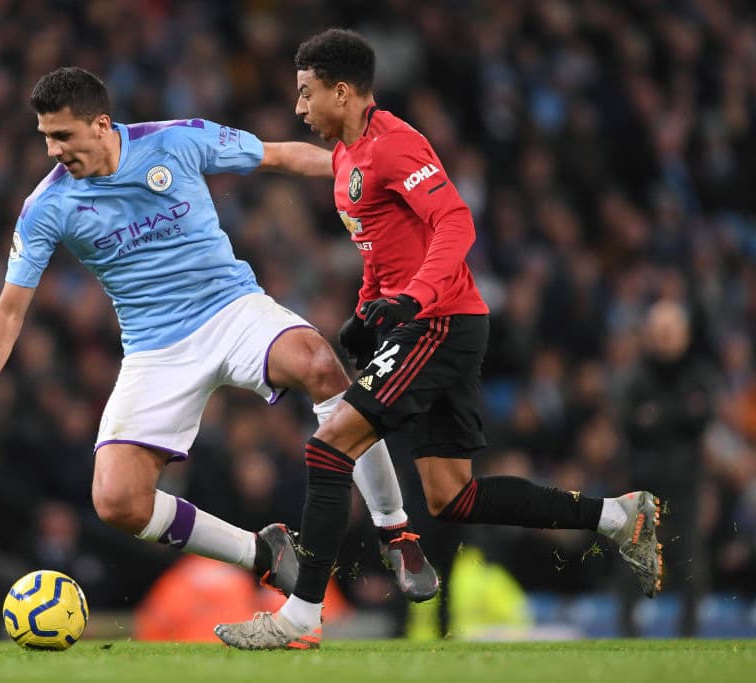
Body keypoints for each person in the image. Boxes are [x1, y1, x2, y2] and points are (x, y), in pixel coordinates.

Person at [215, 29, 663, 650]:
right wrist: (368, 308)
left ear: (342, 92)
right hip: (429, 321)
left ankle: (299, 616)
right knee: (453, 495)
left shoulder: (396, 145)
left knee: (328, 447)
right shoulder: (346, 157)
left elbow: (454, 220)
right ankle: (618, 516)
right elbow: (377, 245)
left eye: (306, 93)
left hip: (441, 322)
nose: (300, 108)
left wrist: (412, 302)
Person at [0, 66, 438, 602]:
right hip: (155, 349)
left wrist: (369, 175)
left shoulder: (173, 142)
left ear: (101, 124)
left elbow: (279, 155)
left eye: (62, 135)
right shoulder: (46, 208)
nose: (52, 150)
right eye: (45, 137)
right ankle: (263, 553)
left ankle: (396, 531)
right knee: (117, 501)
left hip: (231, 310)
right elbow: (9, 310)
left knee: (320, 364)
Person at [618, 299, 717, 636]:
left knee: (690, 562)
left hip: (685, 484)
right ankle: (626, 635)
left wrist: (658, 415)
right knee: (634, 562)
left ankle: (689, 633)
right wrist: (678, 413)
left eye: (670, 332)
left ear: (685, 335)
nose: (664, 339)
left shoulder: (698, 374)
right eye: (658, 332)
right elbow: (629, 423)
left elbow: (701, 417)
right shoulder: (635, 376)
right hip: (642, 483)